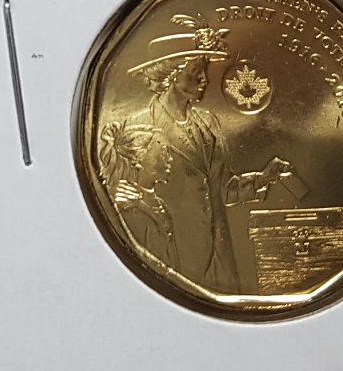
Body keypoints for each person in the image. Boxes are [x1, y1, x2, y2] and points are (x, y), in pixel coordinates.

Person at [99, 25, 246, 294]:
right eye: (195, 72)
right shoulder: (140, 125)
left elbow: (224, 189)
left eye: (204, 70)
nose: (205, 79)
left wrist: (262, 179)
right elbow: (122, 192)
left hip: (220, 258)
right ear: (170, 76)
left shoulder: (208, 123)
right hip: (172, 255)